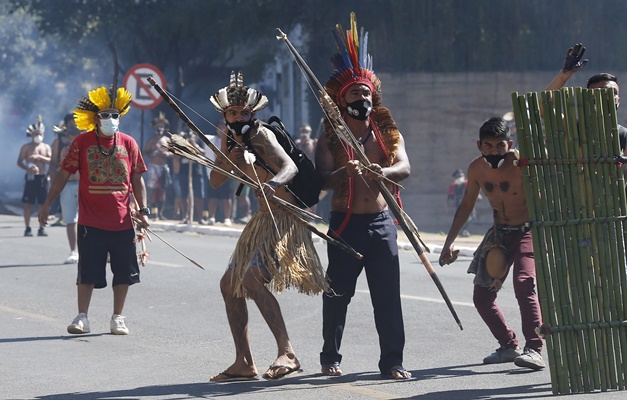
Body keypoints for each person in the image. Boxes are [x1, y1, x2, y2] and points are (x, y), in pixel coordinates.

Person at [207, 71, 328, 382]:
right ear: (225, 115)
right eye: (231, 113)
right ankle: (244, 362)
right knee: (228, 284)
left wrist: (273, 184)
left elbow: (289, 166)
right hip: (262, 219)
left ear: (252, 113)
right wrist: (228, 158)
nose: (237, 117)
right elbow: (216, 181)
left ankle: (287, 352)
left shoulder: (262, 135)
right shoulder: (230, 138)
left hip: (285, 217)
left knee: (251, 280)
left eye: (243, 112)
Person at [316, 14, 412, 380]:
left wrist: (379, 172)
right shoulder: (330, 138)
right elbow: (321, 180)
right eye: (355, 93)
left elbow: (404, 167)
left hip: (382, 223)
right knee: (337, 295)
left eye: (366, 92)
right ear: (342, 100)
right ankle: (330, 356)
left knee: (387, 297)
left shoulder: (388, 134)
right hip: (345, 224)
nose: (362, 97)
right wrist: (345, 172)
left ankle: (393, 362)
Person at [38, 85, 149, 335]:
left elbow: (137, 178)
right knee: (87, 272)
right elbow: (63, 173)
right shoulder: (82, 142)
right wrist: (46, 203)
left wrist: (144, 210)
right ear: (95, 118)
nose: (111, 120)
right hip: (90, 222)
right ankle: (82, 317)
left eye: (115, 115)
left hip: (123, 222)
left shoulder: (129, 143)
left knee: (123, 272)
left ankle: (117, 317)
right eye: (105, 115)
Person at [439, 117, 545, 371]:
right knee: (482, 297)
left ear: (509, 144)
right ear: (479, 145)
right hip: (498, 234)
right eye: (488, 146)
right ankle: (508, 345)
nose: (494, 151)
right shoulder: (476, 169)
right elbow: (466, 206)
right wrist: (448, 242)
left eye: (500, 146)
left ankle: (534, 349)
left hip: (527, 231)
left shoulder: (522, 164)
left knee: (523, 283)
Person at [545, 43, 627, 180]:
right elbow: (544, 108)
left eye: (612, 93)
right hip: (572, 200)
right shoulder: (571, 128)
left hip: (612, 199)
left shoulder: (624, 135)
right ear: (588, 97)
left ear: (618, 101)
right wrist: (564, 75)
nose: (607, 96)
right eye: (601, 91)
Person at [49, 114, 81, 263]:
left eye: (76, 123)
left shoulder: (86, 139)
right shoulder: (59, 142)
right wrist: (54, 185)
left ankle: (90, 251)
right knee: (70, 219)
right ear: (66, 125)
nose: (73, 126)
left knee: (89, 219)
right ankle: (73, 251)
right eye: (70, 123)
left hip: (84, 184)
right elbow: (53, 164)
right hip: (66, 184)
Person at [17, 116, 51, 237]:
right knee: (29, 203)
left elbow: (51, 161)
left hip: (42, 178)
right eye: (36, 133)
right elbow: (19, 161)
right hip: (31, 178)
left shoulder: (46, 147)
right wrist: (28, 168)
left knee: (43, 203)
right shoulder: (26, 147)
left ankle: (42, 227)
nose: (38, 135)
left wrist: (40, 157)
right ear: (32, 134)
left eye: (40, 133)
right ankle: (27, 228)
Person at [202, 121, 234, 226]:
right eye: (220, 128)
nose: (222, 131)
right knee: (212, 196)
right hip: (213, 171)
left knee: (226, 197)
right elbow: (204, 152)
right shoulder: (210, 140)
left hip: (227, 171)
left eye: (224, 129)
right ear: (216, 129)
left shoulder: (231, 141)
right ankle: (211, 217)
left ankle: (227, 218)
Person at [143, 111, 172, 219]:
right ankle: (153, 212)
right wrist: (152, 153)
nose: (160, 128)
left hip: (163, 167)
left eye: (162, 126)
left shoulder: (167, 140)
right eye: (158, 126)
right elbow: (145, 153)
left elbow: (172, 153)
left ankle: (160, 212)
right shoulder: (151, 140)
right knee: (153, 189)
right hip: (153, 166)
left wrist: (166, 154)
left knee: (162, 189)